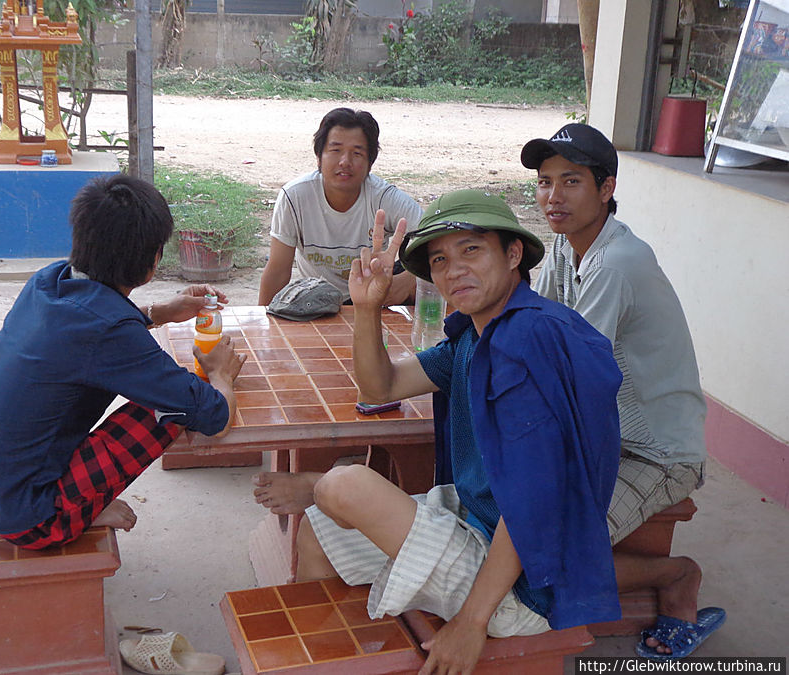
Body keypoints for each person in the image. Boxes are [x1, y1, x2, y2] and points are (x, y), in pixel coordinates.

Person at [293, 189, 624, 674]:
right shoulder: (476, 334)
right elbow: (381, 384)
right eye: (440, 260)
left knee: (342, 484)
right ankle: (328, 661)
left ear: (513, 255)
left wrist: (471, 621)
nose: (455, 270)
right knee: (318, 531)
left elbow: (533, 498)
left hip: (524, 584)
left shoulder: (524, 343)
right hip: (474, 525)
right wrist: (367, 308)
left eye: (472, 250)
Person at [0, 175, 246, 549]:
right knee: (172, 407)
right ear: (152, 262)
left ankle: (76, 502)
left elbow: (95, 330)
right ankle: (74, 512)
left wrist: (163, 312)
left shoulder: (48, 282)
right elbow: (215, 417)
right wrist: (221, 373)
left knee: (166, 391)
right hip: (27, 518)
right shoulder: (108, 332)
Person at [520, 123, 725, 658]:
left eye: (570, 182)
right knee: (518, 527)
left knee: (552, 554)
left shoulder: (616, 263)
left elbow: (565, 373)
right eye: (544, 183)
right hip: (605, 436)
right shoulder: (568, 249)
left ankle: (676, 577)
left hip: (658, 452)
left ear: (606, 189)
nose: (553, 197)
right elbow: (538, 331)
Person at [257, 107, 422, 307]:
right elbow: (278, 270)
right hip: (318, 298)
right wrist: (263, 327)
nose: (345, 162)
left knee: (426, 280)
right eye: (335, 150)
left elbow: (438, 236)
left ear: (370, 163)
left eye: (357, 153)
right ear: (319, 156)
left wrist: (406, 282)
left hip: (375, 292)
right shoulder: (295, 196)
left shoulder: (384, 197)